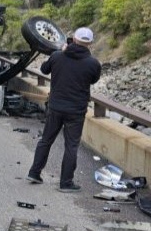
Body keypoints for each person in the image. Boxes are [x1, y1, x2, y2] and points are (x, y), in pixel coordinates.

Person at [26, 27, 102, 193]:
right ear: (90, 44)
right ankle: (66, 182)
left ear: (73, 39)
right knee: (71, 146)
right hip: (76, 110)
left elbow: (44, 69)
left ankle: (34, 172)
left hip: (55, 107)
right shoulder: (93, 63)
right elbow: (94, 79)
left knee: (46, 140)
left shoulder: (57, 56)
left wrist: (60, 52)